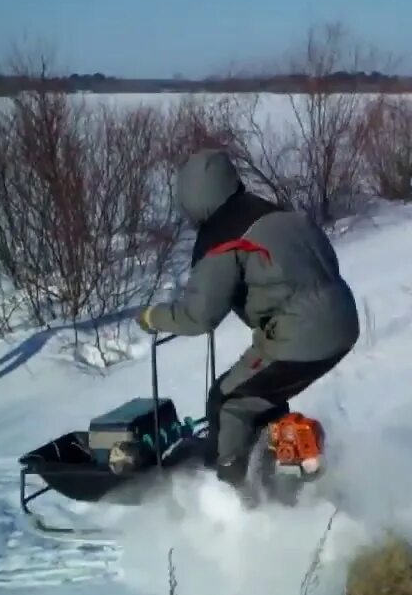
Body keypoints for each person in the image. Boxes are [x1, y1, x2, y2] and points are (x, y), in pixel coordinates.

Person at [137, 149, 360, 487]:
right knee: (262, 397)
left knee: (228, 402)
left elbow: (198, 316)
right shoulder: (275, 213)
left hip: (299, 335)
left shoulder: (223, 236)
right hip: (342, 322)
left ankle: (236, 493)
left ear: (193, 197)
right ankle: (291, 468)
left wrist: (155, 316)